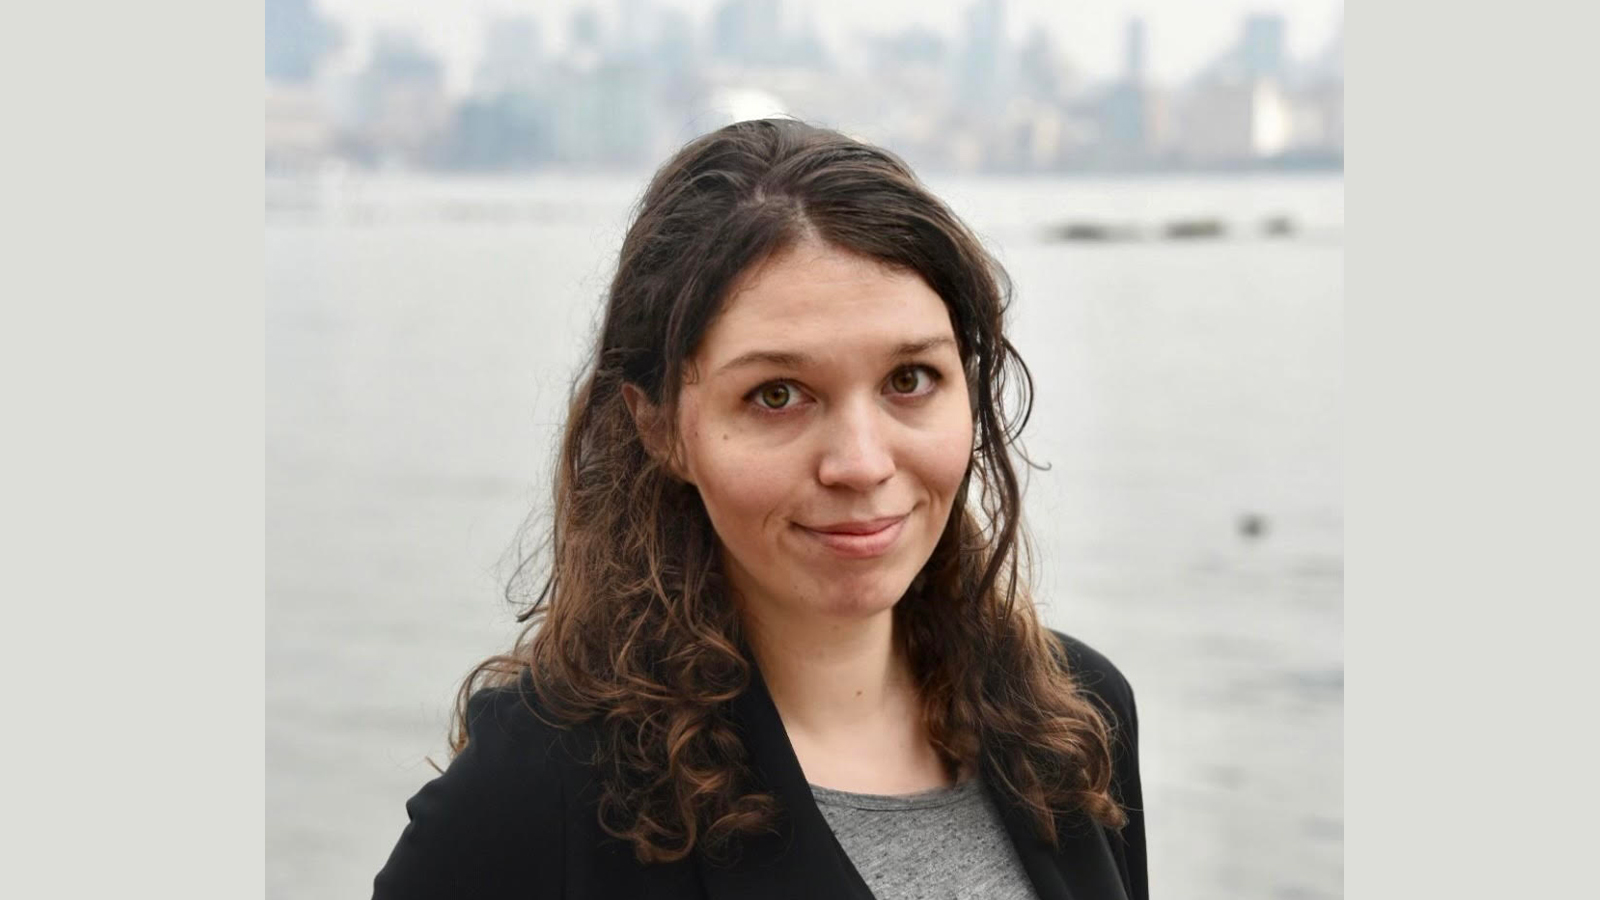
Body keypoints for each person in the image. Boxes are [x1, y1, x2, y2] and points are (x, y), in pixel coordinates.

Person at [372, 118, 1148, 900]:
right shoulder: (547, 783)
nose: (862, 463)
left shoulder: (1076, 716)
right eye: (776, 395)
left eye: (910, 380)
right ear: (661, 427)